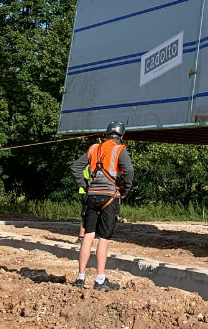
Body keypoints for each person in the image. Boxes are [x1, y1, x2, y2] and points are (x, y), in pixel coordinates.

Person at [70, 121, 133, 290]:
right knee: (103, 240)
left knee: (88, 236)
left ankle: (80, 278)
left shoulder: (93, 149)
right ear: (121, 136)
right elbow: (129, 171)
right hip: (110, 198)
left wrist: (84, 185)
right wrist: (124, 190)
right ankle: (99, 280)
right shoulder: (120, 149)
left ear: (106, 134)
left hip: (91, 197)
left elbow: (75, 167)